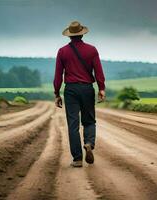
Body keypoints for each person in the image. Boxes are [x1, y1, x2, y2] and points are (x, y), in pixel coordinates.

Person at [53, 21, 106, 167]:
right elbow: (98, 71)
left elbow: (58, 75)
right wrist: (101, 88)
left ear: (69, 36)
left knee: (73, 124)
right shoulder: (92, 50)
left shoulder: (62, 51)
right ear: (82, 33)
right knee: (89, 120)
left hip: (70, 90)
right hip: (87, 89)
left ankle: (77, 159)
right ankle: (88, 143)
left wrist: (57, 93)